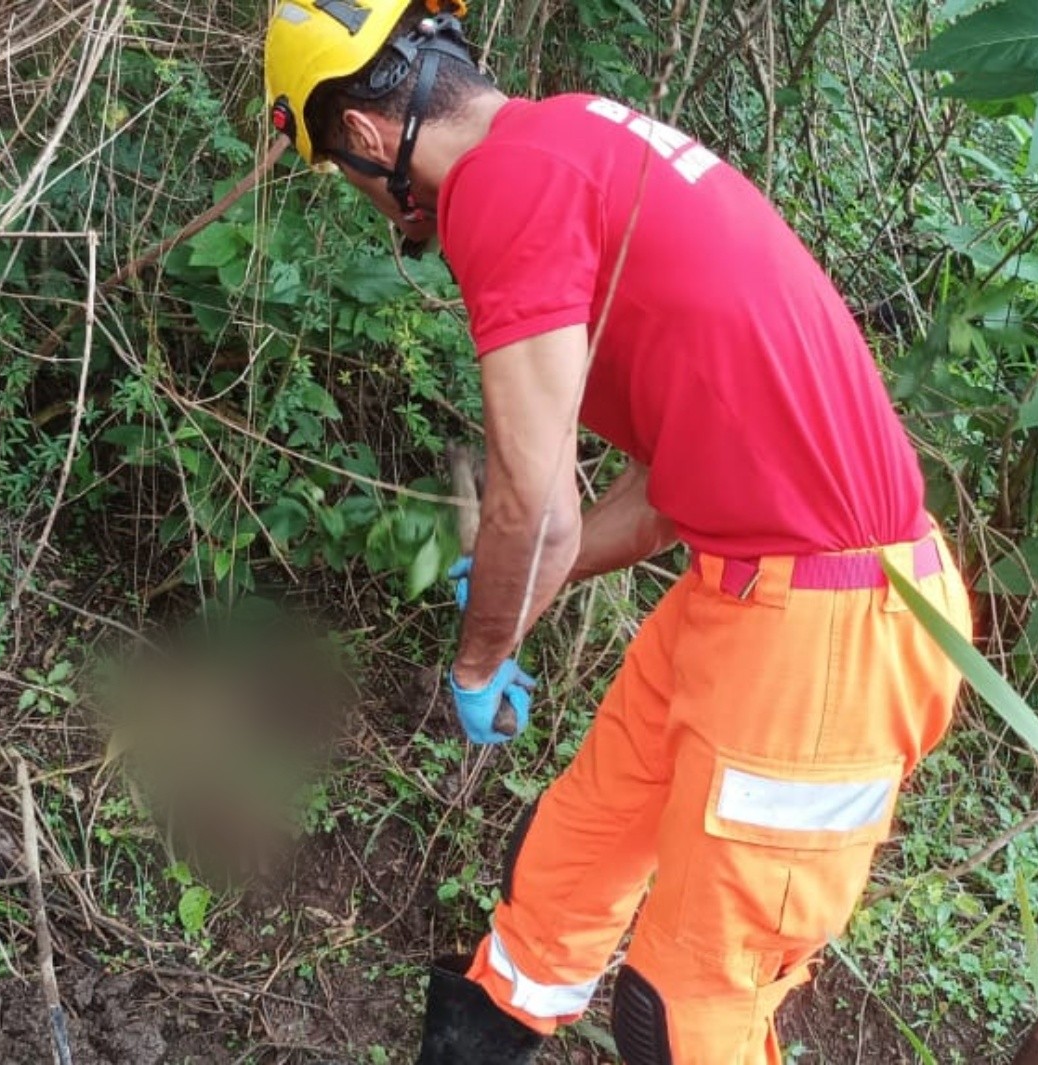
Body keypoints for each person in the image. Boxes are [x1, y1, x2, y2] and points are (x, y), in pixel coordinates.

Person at [262, 2, 972, 1063]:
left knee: (687, 1011)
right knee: (565, 872)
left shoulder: (499, 191)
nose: (373, 206)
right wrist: (505, 577)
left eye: (346, 175)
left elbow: (534, 509)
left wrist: (481, 652)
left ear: (367, 140)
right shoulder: (573, 138)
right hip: (745, 590)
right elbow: (664, 484)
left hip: (829, 637)